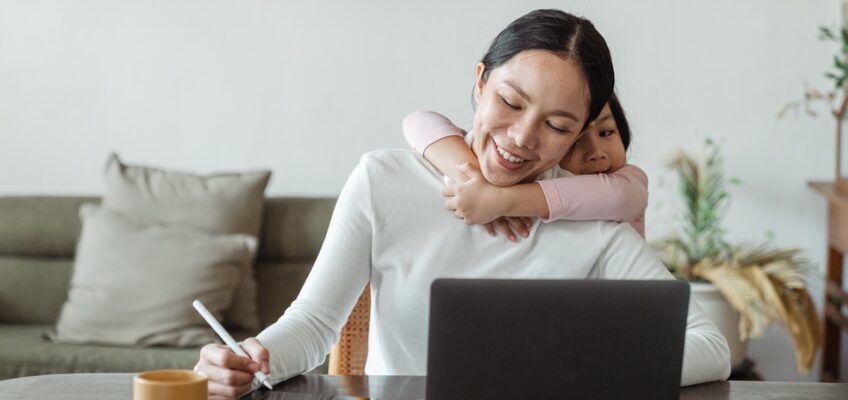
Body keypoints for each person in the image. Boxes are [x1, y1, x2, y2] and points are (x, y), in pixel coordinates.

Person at [194, 9, 731, 398]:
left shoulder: (593, 222)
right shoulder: (384, 181)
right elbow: (313, 325)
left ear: (579, 135)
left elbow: (710, 346)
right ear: (479, 82)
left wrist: (583, 368)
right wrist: (247, 359)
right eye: (510, 102)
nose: (522, 138)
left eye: (557, 125)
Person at [402, 93, 647, 241]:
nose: (596, 153)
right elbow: (418, 121)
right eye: (575, 141)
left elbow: (618, 197)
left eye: (607, 132)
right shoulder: (533, 173)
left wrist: (499, 199)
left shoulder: (628, 182)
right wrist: (474, 181)